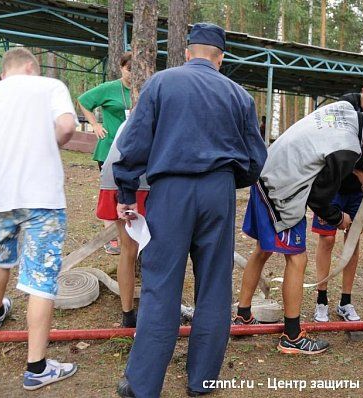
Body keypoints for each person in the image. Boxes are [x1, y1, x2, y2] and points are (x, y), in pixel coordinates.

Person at [113, 23, 267, 398]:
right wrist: (227, 181)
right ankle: (203, 380)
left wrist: (127, 189)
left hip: (171, 191)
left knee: (161, 285)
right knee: (214, 287)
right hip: (218, 192)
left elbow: (134, 142)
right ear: (221, 58)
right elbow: (255, 158)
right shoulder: (239, 95)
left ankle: (143, 384)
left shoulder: (162, 84)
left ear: (187, 52)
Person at [234, 99, 363, 354]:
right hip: (284, 190)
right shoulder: (349, 147)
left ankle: (243, 316)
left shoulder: (344, 109)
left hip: (266, 174)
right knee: (297, 259)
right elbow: (319, 198)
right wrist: (338, 218)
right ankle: (292, 336)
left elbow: (331, 142)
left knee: (262, 250)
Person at [0, 48, 78, 390]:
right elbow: (67, 126)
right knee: (41, 278)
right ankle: (37, 366)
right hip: (41, 196)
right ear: (31, 66)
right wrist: (50, 143)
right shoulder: (49, 85)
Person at [311, 69, 363, 322]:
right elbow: (337, 149)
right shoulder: (345, 107)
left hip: (357, 191)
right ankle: (321, 299)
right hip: (334, 185)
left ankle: (345, 301)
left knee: (353, 241)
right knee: (326, 241)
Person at [78, 52, 133, 255]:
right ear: (121, 68)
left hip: (134, 149)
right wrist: (94, 124)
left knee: (129, 192)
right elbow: (83, 100)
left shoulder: (144, 87)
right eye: (129, 69)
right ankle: (111, 237)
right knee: (110, 192)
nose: (132, 74)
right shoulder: (109, 88)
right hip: (110, 147)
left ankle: (129, 233)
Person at [97, 121, 150, 328]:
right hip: (139, 182)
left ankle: (128, 315)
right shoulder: (161, 111)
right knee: (150, 250)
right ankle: (145, 312)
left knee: (129, 250)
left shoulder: (131, 119)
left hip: (114, 178)